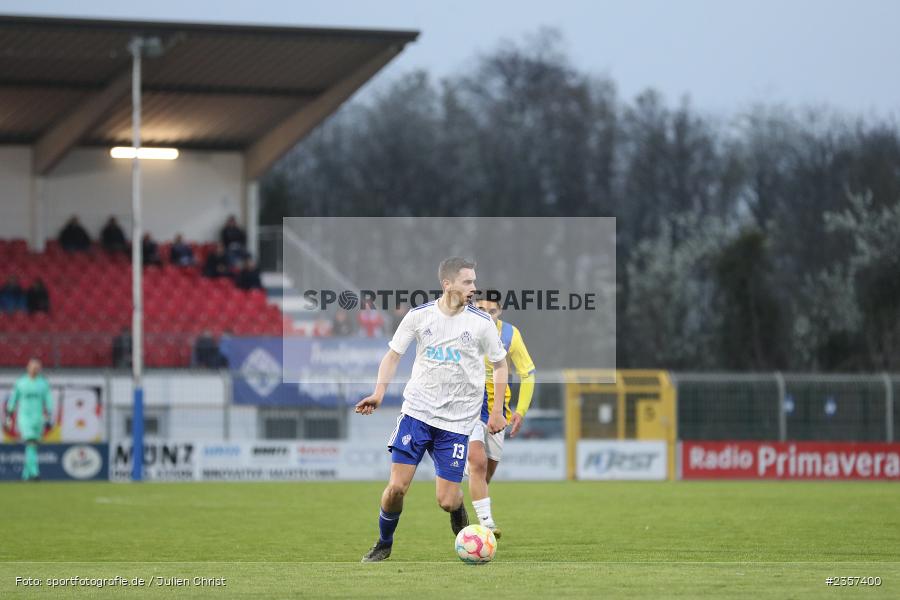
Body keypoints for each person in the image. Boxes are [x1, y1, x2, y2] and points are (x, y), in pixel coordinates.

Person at [355, 257, 508, 562]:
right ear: (447, 284)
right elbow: (393, 356)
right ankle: (384, 543)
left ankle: (458, 511)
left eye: (474, 281)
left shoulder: (482, 322)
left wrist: (496, 411)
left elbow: (500, 365)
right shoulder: (419, 316)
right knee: (396, 488)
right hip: (418, 413)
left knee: (447, 500)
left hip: (457, 423)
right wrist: (379, 392)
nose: (474, 287)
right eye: (467, 282)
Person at [465, 297, 536, 538]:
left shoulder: (509, 334)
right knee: (477, 462)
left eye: (492, 311)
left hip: (497, 413)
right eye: (481, 309)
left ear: (500, 312)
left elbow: (527, 374)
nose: (486, 314)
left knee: (485, 473)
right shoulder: (461, 328)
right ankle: (487, 524)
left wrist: (520, 410)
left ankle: (464, 503)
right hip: (467, 407)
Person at [4, 359, 54, 481]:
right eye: (33, 367)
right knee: (31, 442)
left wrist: (49, 413)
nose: (35, 370)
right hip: (24, 417)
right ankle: (35, 473)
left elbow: (48, 399)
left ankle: (26, 475)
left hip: (38, 418)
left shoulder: (43, 383)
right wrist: (9, 413)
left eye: (37, 368)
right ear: (28, 368)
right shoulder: (21, 382)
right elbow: (14, 398)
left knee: (33, 446)